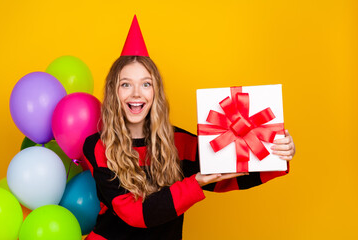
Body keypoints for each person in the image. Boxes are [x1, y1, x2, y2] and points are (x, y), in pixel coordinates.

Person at [83, 16, 296, 240]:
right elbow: (136, 214)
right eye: (125, 84)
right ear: (113, 92)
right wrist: (196, 183)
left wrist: (276, 153)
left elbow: (230, 173)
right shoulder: (98, 147)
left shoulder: (180, 142)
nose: (136, 93)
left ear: (156, 93)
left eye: (146, 84)